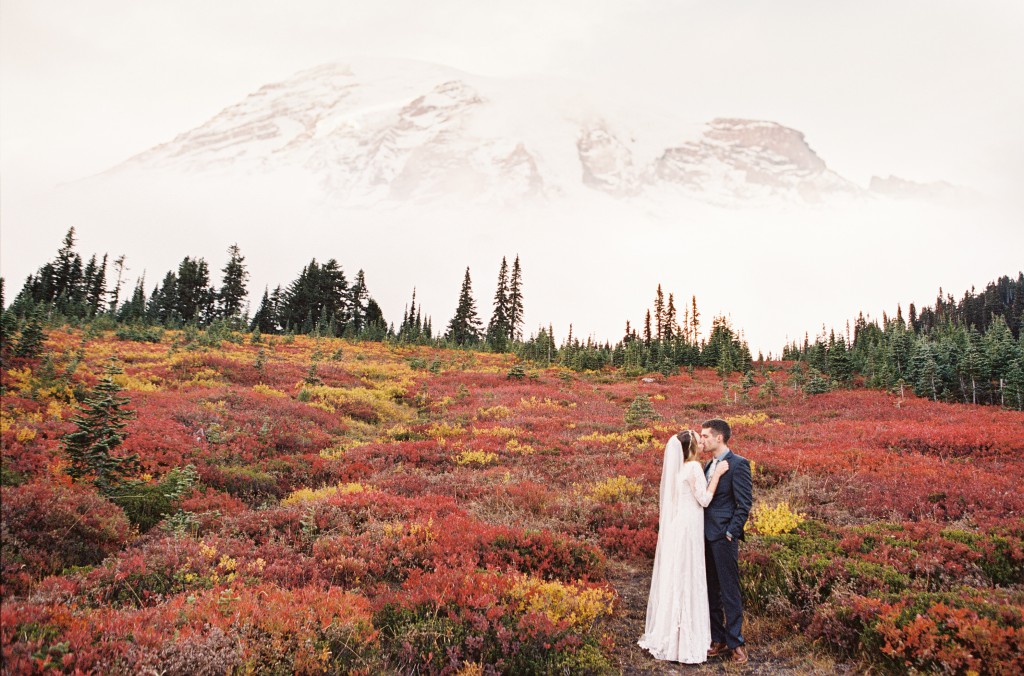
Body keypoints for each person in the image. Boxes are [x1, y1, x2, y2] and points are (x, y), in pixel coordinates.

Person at [638, 429, 729, 663]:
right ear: (690, 448)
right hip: (689, 530)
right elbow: (705, 499)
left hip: (680, 526)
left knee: (678, 577)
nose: (702, 443)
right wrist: (717, 475)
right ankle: (686, 639)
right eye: (699, 441)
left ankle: (672, 633)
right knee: (688, 577)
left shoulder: (679, 470)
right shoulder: (693, 468)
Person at [700, 418, 753, 664]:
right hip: (703, 537)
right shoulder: (707, 465)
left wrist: (731, 532)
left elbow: (744, 503)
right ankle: (717, 638)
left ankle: (736, 643)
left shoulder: (738, 464)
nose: (702, 440)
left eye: (705, 436)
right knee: (711, 590)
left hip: (724, 537)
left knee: (730, 590)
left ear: (718, 437)